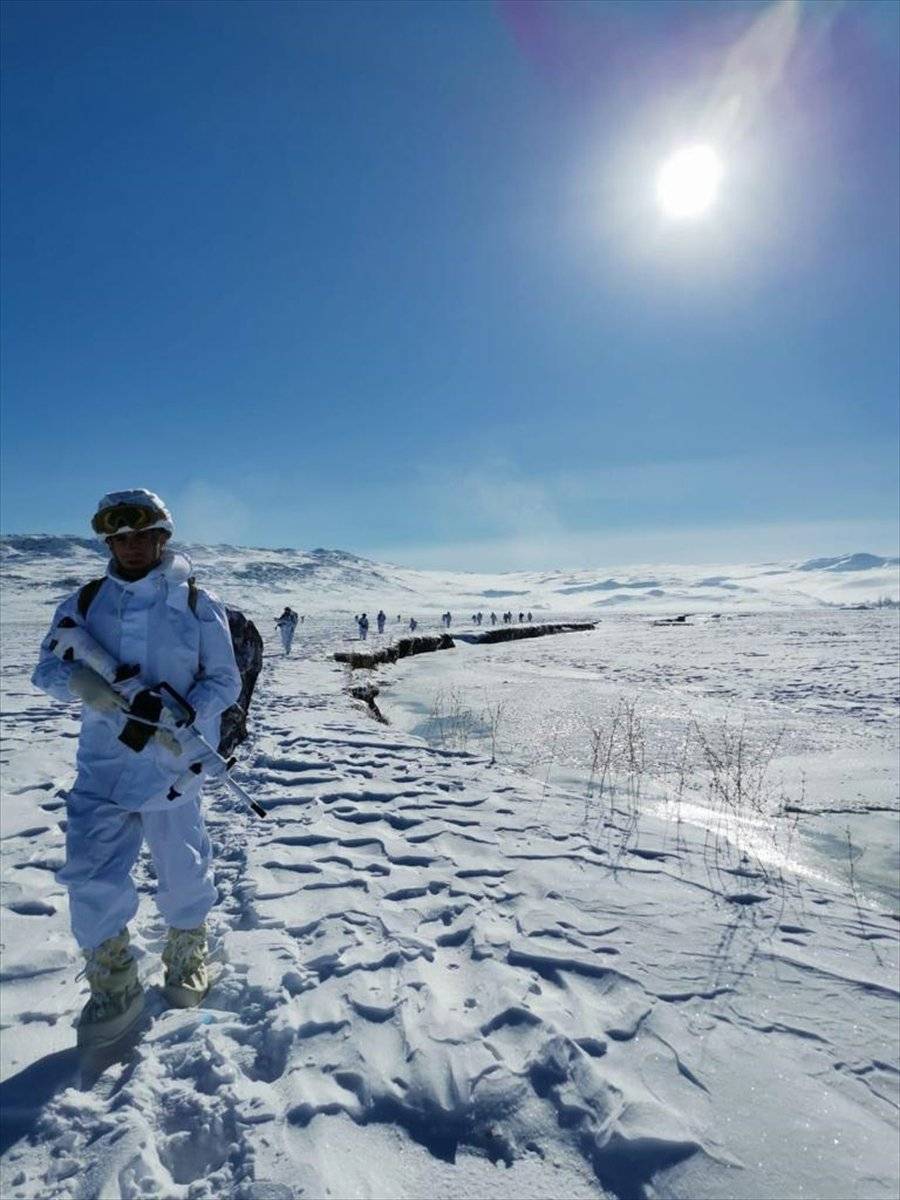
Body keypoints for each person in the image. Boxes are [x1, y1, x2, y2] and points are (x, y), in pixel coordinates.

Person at [32, 489, 241, 1047]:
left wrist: (183, 714)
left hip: (173, 766)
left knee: (182, 862)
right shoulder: (84, 602)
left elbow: (225, 680)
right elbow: (46, 669)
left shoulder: (199, 604)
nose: (130, 547)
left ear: (162, 537)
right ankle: (113, 976)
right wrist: (78, 683)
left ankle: (187, 949)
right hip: (102, 763)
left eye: (141, 536)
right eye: (119, 538)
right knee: (90, 870)